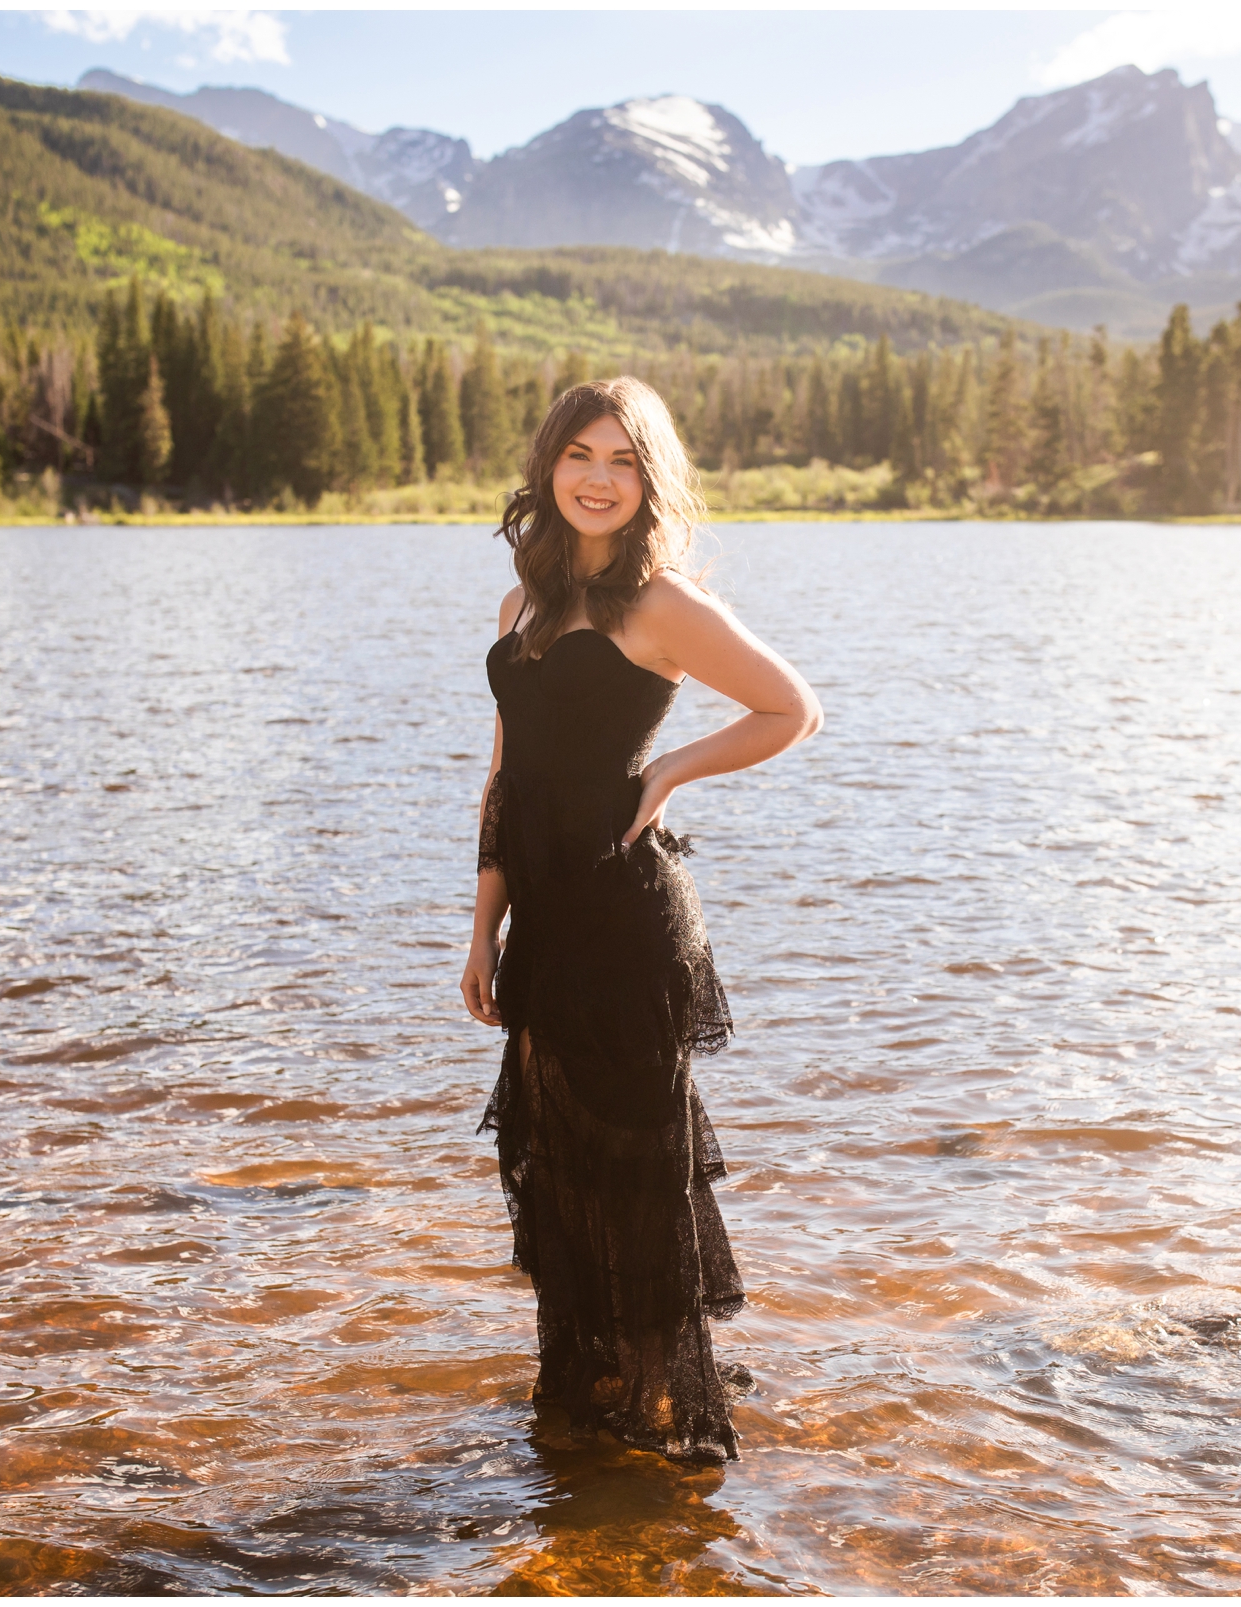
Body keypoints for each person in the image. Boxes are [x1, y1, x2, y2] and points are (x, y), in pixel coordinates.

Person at [459, 377, 822, 1464]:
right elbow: (504, 774)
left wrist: (669, 769)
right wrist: (482, 929)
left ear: (648, 478)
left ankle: (663, 1417)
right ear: (549, 466)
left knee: (634, 1170)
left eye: (622, 460)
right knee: (561, 1167)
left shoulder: (658, 604)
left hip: (624, 918)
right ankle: (593, 1392)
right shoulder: (521, 600)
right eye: (581, 455)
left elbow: (790, 707)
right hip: (545, 922)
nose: (599, 478)